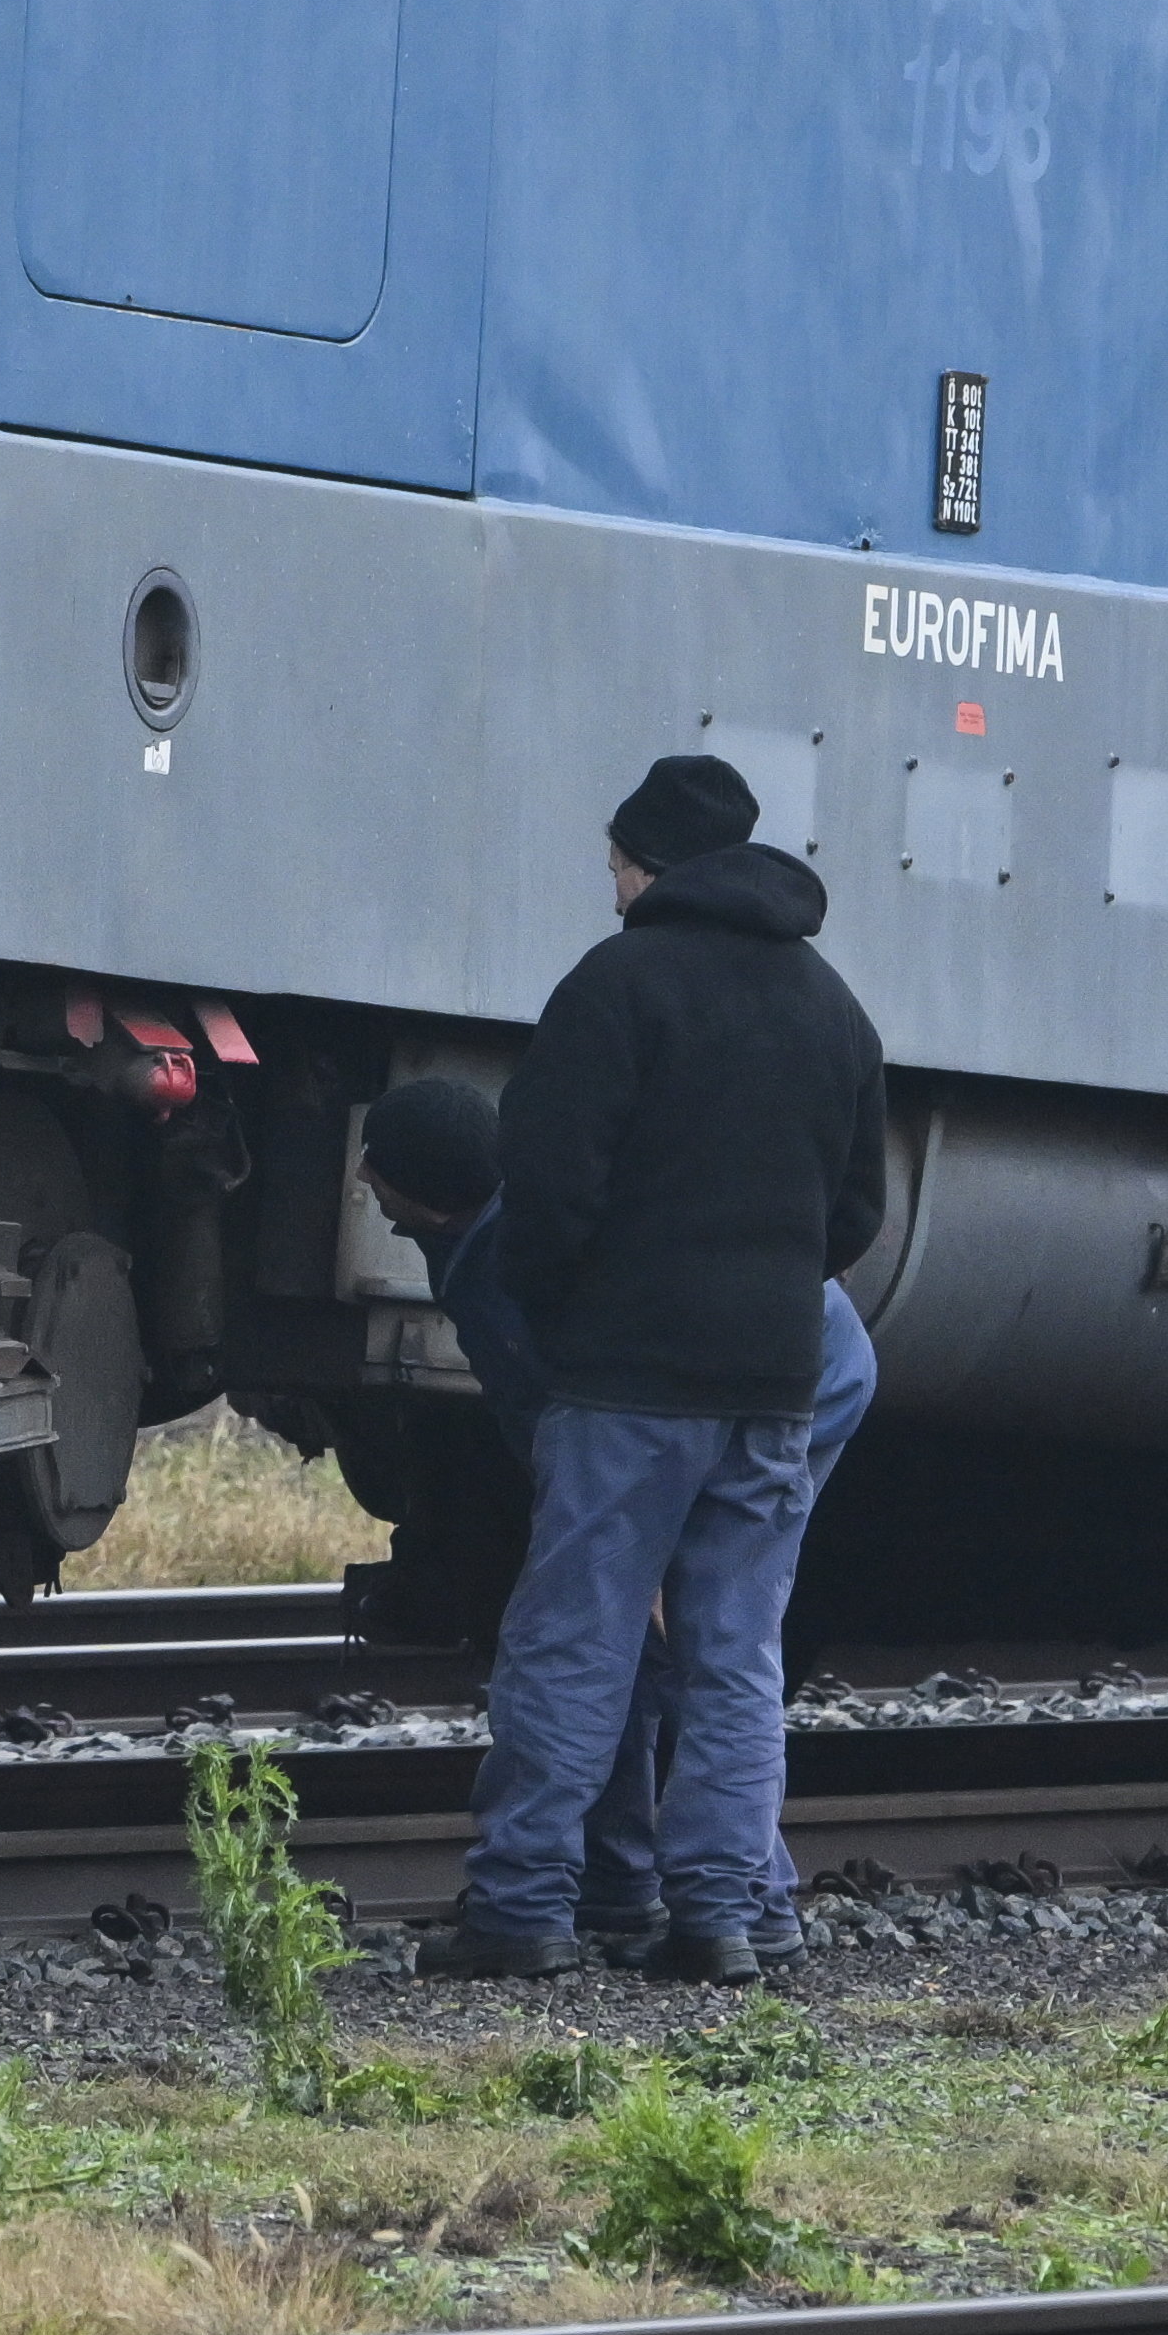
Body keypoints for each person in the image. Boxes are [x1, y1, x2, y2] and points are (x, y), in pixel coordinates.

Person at [421, 753, 891, 1989]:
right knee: (737, 1655)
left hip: (630, 1385)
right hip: (773, 1385)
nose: (612, 883)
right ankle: (725, 1916)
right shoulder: (833, 1007)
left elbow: (550, 1185)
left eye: (617, 862)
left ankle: (524, 1908)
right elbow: (853, 1216)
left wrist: (580, 1309)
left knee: (575, 1641)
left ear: (650, 864)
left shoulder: (617, 985)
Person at [365, 1065, 879, 1969]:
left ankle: (738, 1900)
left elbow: (545, 1407)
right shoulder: (490, 1232)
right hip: (779, 1362)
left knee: (680, 1636)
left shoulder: (505, 1264)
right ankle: (647, 1885)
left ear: (426, 1193)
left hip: (783, 1380)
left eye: (377, 1172)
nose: (365, 1186)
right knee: (669, 1639)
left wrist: (638, 1553)